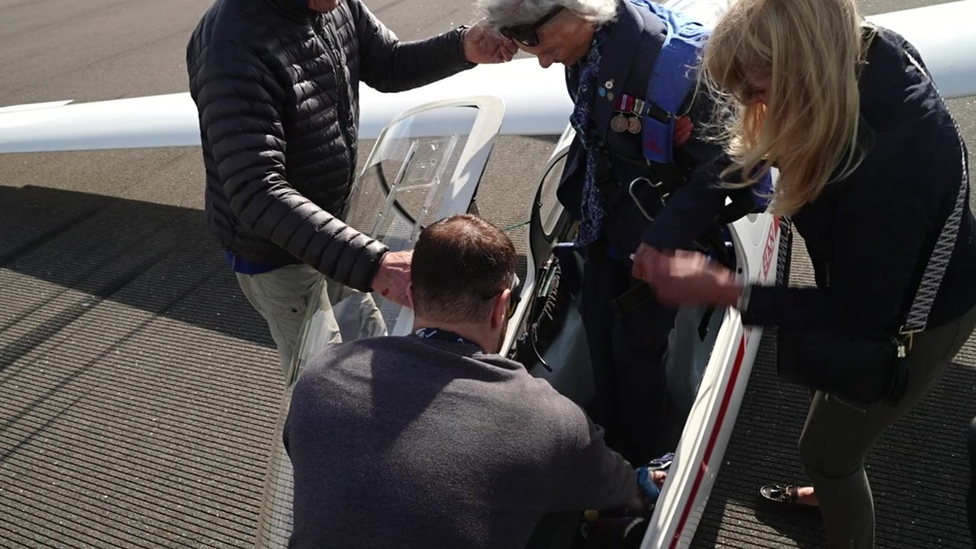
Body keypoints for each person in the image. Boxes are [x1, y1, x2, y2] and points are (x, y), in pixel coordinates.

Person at [635, 0, 976, 547]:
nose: (748, 103)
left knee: (826, 453)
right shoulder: (861, 52)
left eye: (755, 87)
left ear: (804, 65)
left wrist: (729, 291)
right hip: (878, 280)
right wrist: (661, 236)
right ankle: (829, 488)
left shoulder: (893, 155)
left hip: (923, 317)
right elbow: (745, 161)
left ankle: (836, 495)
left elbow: (867, 315)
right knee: (830, 429)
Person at [477, 0, 757, 464]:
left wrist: (660, 241)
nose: (542, 59)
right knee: (596, 320)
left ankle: (641, 458)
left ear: (577, 11)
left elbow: (721, 171)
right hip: (604, 225)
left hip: (657, 236)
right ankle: (607, 439)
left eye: (536, 41)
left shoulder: (679, 64)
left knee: (636, 350)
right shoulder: (585, 49)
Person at [283, 214, 659, 549]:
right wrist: (644, 484)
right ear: (502, 306)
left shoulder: (322, 372)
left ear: (411, 295)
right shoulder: (551, 421)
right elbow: (621, 491)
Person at [186, 0, 517, 375]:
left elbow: (387, 62)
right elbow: (254, 190)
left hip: (335, 230)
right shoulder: (229, 48)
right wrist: (372, 264)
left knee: (374, 349)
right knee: (322, 378)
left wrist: (462, 47)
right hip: (275, 254)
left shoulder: (330, 5)